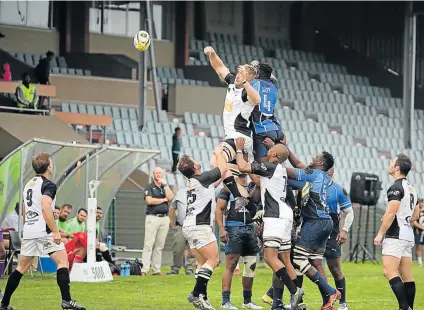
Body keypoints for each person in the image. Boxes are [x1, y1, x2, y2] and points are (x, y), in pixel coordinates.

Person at [0, 152, 85, 310]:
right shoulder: (49, 185)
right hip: (43, 232)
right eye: (51, 163)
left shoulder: (28, 184)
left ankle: (4, 304)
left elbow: (25, 210)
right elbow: (45, 206)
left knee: (21, 268)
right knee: (62, 262)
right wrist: (55, 231)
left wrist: (29, 226)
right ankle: (66, 301)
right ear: (48, 167)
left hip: (30, 231)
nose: (52, 165)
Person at [235, 138, 304, 310]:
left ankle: (295, 292)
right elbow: (259, 181)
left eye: (271, 150)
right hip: (286, 215)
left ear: (273, 154)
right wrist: (270, 148)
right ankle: (299, 303)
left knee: (269, 257)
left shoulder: (271, 167)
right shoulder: (280, 169)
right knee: (285, 259)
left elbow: (243, 167)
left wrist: (239, 150)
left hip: (275, 216)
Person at [204, 45, 260, 210]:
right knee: (228, 172)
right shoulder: (231, 83)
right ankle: (249, 206)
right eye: (239, 72)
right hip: (233, 138)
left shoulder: (246, 93)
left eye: (243, 75)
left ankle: (234, 196)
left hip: (240, 137)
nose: (238, 76)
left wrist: (245, 83)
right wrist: (212, 53)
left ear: (248, 80)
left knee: (218, 154)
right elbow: (219, 66)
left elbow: (257, 100)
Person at [284, 149, 340, 310]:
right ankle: (327, 303)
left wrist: (271, 164)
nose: (311, 158)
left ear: (320, 163)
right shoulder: (321, 176)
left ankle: (330, 292)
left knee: (298, 259)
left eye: (315, 157)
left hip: (315, 221)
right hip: (325, 222)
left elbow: (287, 171)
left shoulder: (313, 173)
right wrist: (286, 151)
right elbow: (296, 172)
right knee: (315, 262)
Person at [178, 146, 227, 310]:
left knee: (202, 262)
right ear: (195, 167)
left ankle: (202, 297)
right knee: (214, 260)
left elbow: (213, 184)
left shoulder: (193, 181)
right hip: (200, 226)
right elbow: (222, 168)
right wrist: (220, 152)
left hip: (189, 225)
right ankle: (195, 293)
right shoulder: (201, 178)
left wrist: (224, 174)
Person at [374, 154, 417, 310]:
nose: (390, 164)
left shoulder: (395, 188)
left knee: (389, 271)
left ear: (397, 167)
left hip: (396, 234)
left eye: (392, 162)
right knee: (407, 276)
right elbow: (416, 215)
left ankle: (404, 307)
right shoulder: (412, 188)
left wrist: (380, 233)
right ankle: (409, 307)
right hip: (408, 234)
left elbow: (391, 214)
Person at [215, 174, 263, 309]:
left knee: (250, 265)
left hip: (250, 229)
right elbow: (219, 209)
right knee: (231, 265)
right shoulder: (228, 188)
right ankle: (225, 301)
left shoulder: (254, 187)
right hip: (233, 227)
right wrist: (221, 229)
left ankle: (247, 301)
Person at [314, 167, 354, 310]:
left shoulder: (338, 190)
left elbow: (349, 212)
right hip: (313, 232)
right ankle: (327, 301)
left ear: (331, 171)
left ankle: (342, 303)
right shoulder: (311, 186)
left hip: (332, 233)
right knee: (314, 267)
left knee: (335, 269)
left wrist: (344, 230)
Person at [140, 167, 174, 276]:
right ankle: (144, 269)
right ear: (153, 174)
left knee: (159, 245)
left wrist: (165, 185)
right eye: (157, 173)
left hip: (164, 218)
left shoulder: (164, 187)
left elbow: (171, 197)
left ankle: (156, 269)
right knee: (148, 244)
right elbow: (149, 201)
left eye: (160, 173)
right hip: (152, 217)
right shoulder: (149, 187)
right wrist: (164, 200)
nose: (158, 174)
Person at [248, 62, 283, 163]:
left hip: (261, 129)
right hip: (276, 129)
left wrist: (253, 66)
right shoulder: (274, 86)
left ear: (257, 74)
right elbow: (272, 77)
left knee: (262, 165)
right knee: (278, 162)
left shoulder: (254, 84)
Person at [167, 187, 196, 276]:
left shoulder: (200, 192)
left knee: (192, 248)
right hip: (181, 225)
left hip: (194, 225)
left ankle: (189, 268)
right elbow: (173, 207)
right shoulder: (180, 192)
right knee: (177, 248)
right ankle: (175, 268)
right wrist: (170, 219)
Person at [413, 198, 424, 267]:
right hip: (419, 232)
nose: (421, 203)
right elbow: (414, 222)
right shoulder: (416, 211)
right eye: (420, 202)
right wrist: (422, 228)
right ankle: (420, 263)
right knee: (419, 246)